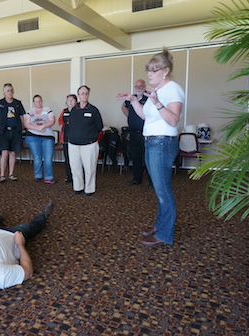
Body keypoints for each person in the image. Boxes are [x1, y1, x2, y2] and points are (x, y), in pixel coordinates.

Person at [116, 48, 185, 246]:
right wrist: (134, 100)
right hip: (152, 142)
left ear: (165, 71)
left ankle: (164, 234)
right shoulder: (157, 91)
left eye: (154, 71)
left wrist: (158, 103)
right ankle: (161, 225)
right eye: (148, 70)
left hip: (162, 143)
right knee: (159, 189)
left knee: (163, 190)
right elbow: (145, 116)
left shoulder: (173, 89)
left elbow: (173, 120)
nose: (149, 74)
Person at [68, 85, 104, 197]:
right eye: (82, 93)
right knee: (75, 167)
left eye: (86, 93)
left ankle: (89, 189)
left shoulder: (93, 110)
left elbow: (99, 126)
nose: (84, 95)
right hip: (73, 143)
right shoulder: (74, 110)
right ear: (78, 95)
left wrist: (89, 136)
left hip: (89, 144)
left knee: (89, 168)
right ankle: (78, 187)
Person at [0, 83, 26, 183]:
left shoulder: (18, 103)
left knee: (13, 153)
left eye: (11, 90)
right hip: (4, 131)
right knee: (5, 152)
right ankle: (2, 175)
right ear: (4, 92)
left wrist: (22, 129)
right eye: (8, 90)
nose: (10, 92)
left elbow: (21, 117)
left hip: (15, 131)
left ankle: (11, 174)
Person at [121, 79, 148, 186]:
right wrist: (130, 116)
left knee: (147, 158)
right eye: (137, 86)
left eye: (141, 86)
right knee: (136, 157)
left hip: (145, 133)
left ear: (144, 86)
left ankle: (151, 182)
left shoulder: (148, 98)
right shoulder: (131, 98)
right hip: (133, 132)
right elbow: (123, 107)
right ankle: (137, 179)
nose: (139, 88)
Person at [23, 95, 56, 183]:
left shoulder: (48, 110)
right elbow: (26, 124)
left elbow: (52, 120)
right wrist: (37, 128)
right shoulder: (29, 112)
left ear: (42, 101)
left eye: (40, 101)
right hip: (33, 136)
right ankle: (38, 176)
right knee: (37, 157)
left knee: (48, 157)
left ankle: (49, 177)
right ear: (34, 103)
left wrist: (43, 126)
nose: (38, 103)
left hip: (47, 136)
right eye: (36, 101)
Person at [58, 94, 77, 183]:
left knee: (76, 159)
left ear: (76, 101)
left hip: (76, 139)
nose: (70, 102)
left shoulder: (78, 111)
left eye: (72, 100)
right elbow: (60, 122)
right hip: (66, 138)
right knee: (67, 159)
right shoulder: (64, 111)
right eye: (68, 100)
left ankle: (77, 177)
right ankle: (69, 176)